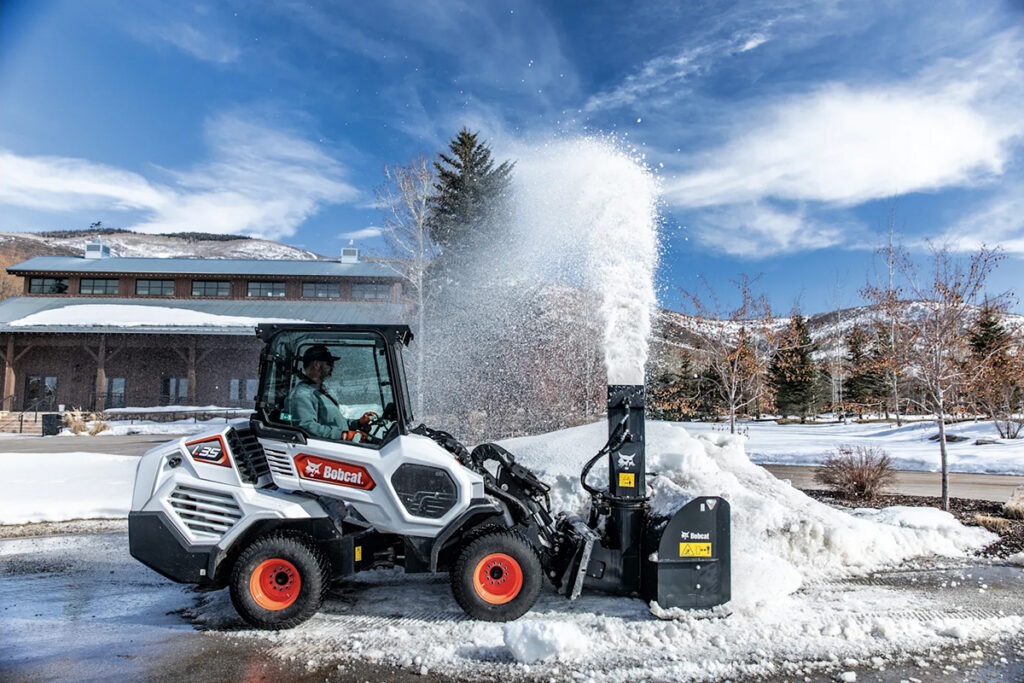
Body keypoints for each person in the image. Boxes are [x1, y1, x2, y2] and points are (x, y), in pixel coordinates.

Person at [285, 343, 375, 441]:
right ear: (316, 365)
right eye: (329, 363)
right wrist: (343, 435)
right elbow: (305, 427)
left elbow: (333, 423)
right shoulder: (301, 395)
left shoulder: (322, 390)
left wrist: (357, 423)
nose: (333, 367)